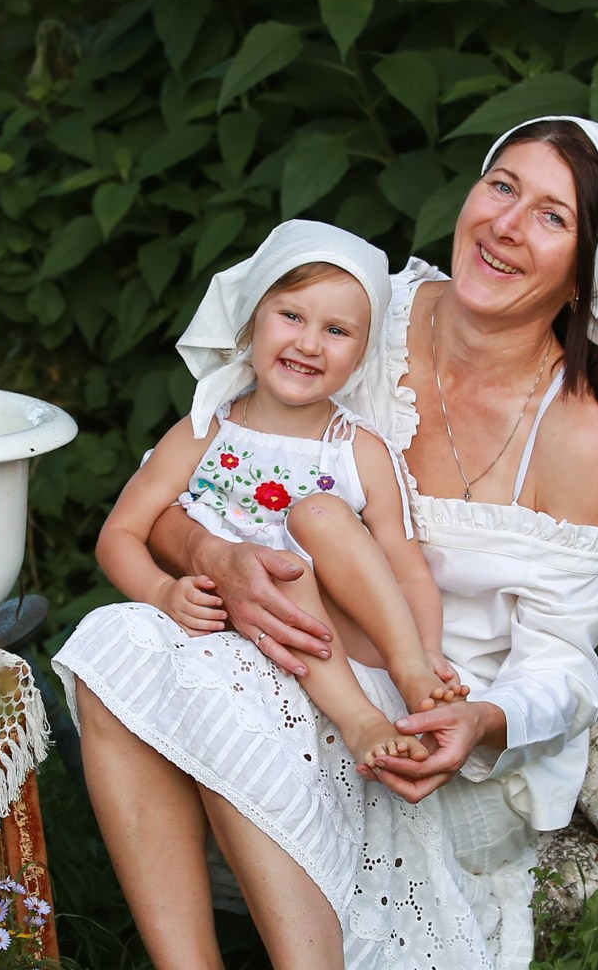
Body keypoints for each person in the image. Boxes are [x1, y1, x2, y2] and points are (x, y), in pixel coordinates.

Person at [52, 116, 598, 970]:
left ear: (586, 270)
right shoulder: (360, 313)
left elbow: (565, 663)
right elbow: (190, 486)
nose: (506, 225)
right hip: (279, 639)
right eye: (500, 186)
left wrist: (480, 715)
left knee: (214, 656)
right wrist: (216, 564)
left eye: (551, 214)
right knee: (118, 638)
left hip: (425, 721)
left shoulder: (580, 434)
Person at [91, 219, 463, 774]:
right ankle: (358, 718)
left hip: (335, 637)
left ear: (362, 355)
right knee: (280, 568)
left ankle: (397, 683)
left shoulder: (357, 449)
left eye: (338, 331)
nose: (309, 344)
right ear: (250, 324)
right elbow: (119, 534)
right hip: (239, 626)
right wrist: (162, 591)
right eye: (291, 316)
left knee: (318, 514)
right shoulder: (203, 433)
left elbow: (407, 568)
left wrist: (427, 648)